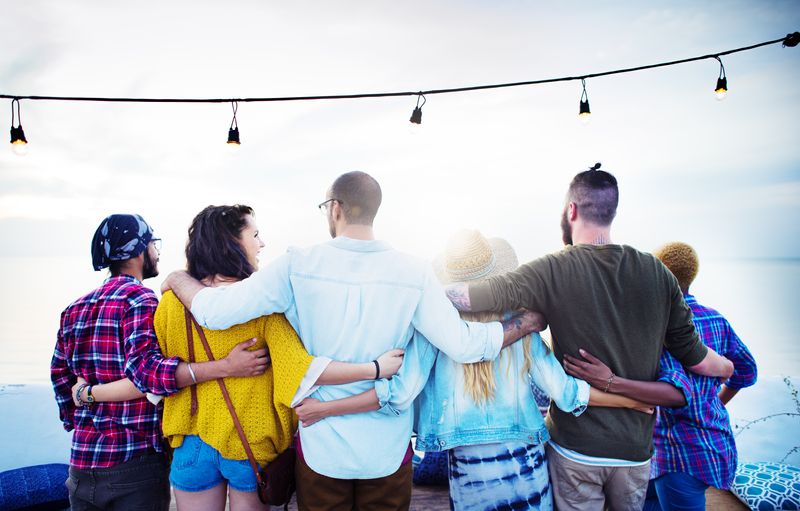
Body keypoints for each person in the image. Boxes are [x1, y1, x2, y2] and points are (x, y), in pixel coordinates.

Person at [161, 172, 542, 511]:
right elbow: (463, 344)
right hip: (388, 452)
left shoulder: (298, 265)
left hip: (321, 448)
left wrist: (177, 278)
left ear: (335, 208)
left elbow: (214, 311)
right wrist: (523, 325)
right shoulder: (414, 270)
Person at [443, 165, 735, 510]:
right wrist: (727, 366)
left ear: (571, 210)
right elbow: (697, 357)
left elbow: (482, 296)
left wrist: (422, 292)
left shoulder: (551, 269)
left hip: (574, 448)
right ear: (612, 212)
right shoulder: (657, 273)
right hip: (634, 452)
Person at [83, 205, 405, 511]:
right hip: (250, 444)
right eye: (255, 235)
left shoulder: (170, 304)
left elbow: (156, 385)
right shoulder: (261, 305)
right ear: (232, 243)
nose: (262, 243)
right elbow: (303, 372)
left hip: (191, 445)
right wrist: (374, 368)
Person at [51, 213, 267, 511]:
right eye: (153, 244)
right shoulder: (142, 301)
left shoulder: (74, 308)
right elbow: (150, 375)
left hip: (81, 463)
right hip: (134, 459)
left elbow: (61, 380)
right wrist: (225, 367)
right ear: (139, 251)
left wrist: (84, 398)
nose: (157, 252)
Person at [641, 242, 757, 510]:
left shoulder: (659, 328)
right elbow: (747, 369)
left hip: (678, 453)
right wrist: (716, 400)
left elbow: (673, 392)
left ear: (659, 276)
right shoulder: (715, 319)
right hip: (715, 442)